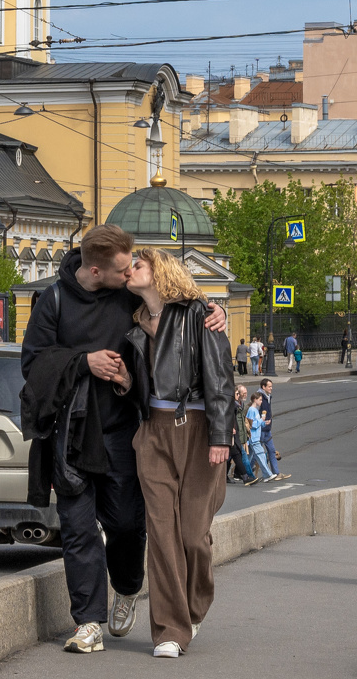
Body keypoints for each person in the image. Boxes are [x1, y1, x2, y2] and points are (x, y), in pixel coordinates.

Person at [21, 225, 227, 654]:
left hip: (122, 431)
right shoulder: (53, 301)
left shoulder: (129, 293)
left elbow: (174, 302)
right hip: (73, 435)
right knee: (78, 530)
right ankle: (89, 623)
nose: (130, 270)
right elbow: (32, 364)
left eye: (134, 264)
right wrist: (83, 362)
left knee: (129, 526)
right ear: (96, 270)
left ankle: (128, 587)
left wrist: (214, 309)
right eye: (123, 266)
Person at [119, 247, 234, 658]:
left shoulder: (199, 313)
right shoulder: (133, 321)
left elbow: (221, 376)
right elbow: (141, 387)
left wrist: (222, 436)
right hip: (153, 433)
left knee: (191, 536)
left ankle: (195, 605)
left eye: (137, 264)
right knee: (163, 535)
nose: (129, 270)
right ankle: (170, 630)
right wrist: (123, 381)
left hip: (200, 430)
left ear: (159, 271)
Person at [258, 378, 290, 479]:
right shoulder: (259, 397)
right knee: (255, 454)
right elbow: (253, 412)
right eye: (269, 386)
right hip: (261, 430)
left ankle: (276, 473)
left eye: (271, 386)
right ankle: (246, 473)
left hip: (267, 430)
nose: (271, 388)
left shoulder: (268, 397)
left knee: (271, 451)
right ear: (263, 387)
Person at [233, 384, 255, 484]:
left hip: (239, 434)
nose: (245, 395)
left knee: (234, 456)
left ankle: (237, 475)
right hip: (234, 434)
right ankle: (249, 476)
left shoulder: (240, 404)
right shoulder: (234, 405)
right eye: (243, 393)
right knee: (241, 455)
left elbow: (242, 420)